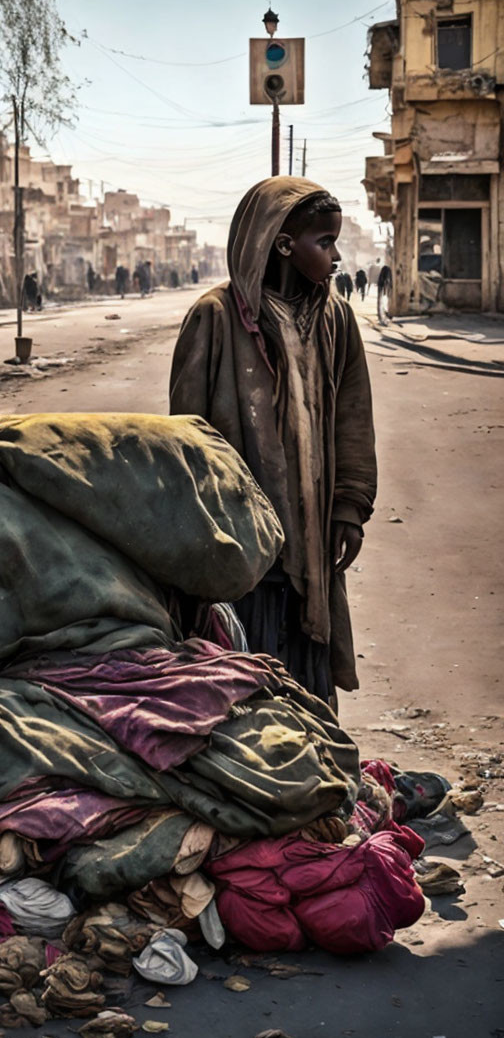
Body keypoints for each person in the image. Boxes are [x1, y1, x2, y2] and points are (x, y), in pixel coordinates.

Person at [169, 176, 377, 708]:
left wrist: (349, 506)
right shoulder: (214, 319)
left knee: (308, 672)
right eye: (325, 243)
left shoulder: (335, 319)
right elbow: (186, 442)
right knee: (247, 673)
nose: (335, 256)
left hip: (312, 530)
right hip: (241, 546)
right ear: (284, 245)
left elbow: (353, 418)